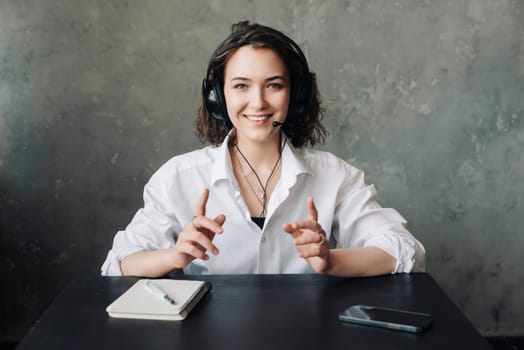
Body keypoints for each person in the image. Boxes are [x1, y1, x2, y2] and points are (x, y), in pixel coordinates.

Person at [101, 20, 425, 277]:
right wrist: (176, 256)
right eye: (241, 85)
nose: (258, 102)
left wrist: (331, 261)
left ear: (294, 96)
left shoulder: (336, 176)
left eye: (274, 85)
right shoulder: (177, 177)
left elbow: (405, 250)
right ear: (217, 96)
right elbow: (119, 264)